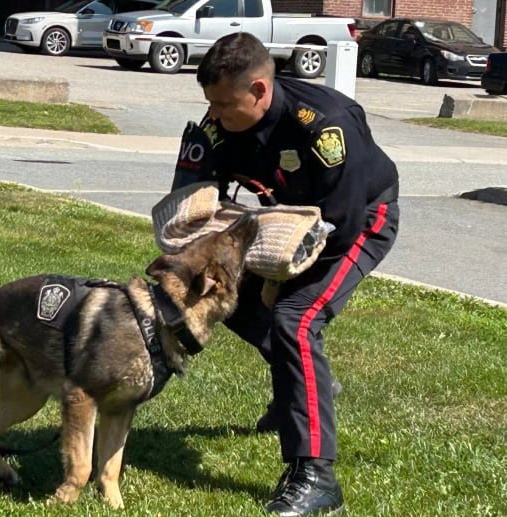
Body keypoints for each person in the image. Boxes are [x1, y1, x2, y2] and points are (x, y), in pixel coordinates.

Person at [169, 32, 400, 515]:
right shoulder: (216, 125)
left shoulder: (324, 127)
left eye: (225, 105)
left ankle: (316, 476)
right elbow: (188, 206)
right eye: (209, 103)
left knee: (294, 319)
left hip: (355, 222)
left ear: (258, 90)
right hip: (282, 222)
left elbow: (339, 223)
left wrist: (277, 284)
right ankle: (301, 380)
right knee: (220, 293)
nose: (214, 115)